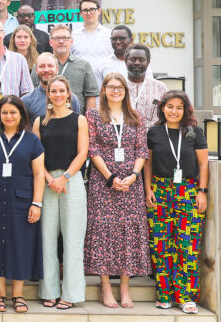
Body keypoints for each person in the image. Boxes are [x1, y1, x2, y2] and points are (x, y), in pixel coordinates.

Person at [84, 73, 151, 309]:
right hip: (103, 182)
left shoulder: (136, 117)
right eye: (111, 87)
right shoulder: (93, 115)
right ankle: (104, 285)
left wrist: (133, 176)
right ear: (103, 90)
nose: (115, 90)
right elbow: (91, 148)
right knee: (103, 230)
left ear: (125, 90)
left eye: (120, 87)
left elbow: (142, 150)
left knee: (128, 231)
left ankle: (124, 285)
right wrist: (111, 177)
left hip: (131, 185)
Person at [0, 95, 45, 314]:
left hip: (21, 201)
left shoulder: (32, 140)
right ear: (0, 115)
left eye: (13, 112)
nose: (9, 116)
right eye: (4, 112)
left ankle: (18, 294)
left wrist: (37, 203)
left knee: (20, 244)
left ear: (21, 114)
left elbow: (39, 173)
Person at [145, 91, 209, 314]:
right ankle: (165, 295)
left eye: (179, 107)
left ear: (185, 110)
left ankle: (186, 296)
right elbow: (147, 164)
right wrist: (148, 190)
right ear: (162, 108)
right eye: (170, 106)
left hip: (188, 191)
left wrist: (202, 191)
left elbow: (203, 164)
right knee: (162, 245)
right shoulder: (153, 132)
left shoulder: (193, 131)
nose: (174, 111)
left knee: (187, 244)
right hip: (160, 191)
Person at [32, 76, 88, 309]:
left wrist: (64, 177)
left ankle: (71, 294)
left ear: (68, 94)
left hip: (71, 181)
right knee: (47, 239)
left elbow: (82, 153)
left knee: (73, 240)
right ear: (48, 94)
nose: (57, 94)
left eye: (61, 91)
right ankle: (49, 291)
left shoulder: (80, 120)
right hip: (45, 182)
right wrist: (49, 179)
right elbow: (35, 155)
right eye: (53, 91)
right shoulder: (39, 122)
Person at [31, 24, 98, 113]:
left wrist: (89, 123)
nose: (61, 41)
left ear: (71, 41)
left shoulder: (84, 65)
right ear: (50, 42)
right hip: (46, 120)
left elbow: (90, 96)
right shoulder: (41, 66)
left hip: (76, 121)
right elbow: (33, 92)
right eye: (57, 38)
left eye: (65, 38)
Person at [23, 53, 81, 122]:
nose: (46, 70)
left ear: (57, 69)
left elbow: (77, 127)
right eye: (42, 66)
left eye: (50, 66)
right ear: (36, 70)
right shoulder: (26, 101)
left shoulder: (72, 99)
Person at [125, 44, 168, 126]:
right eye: (132, 59)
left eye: (141, 60)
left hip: (153, 136)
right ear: (126, 61)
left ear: (148, 62)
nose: (137, 63)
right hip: (124, 136)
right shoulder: (118, 86)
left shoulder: (160, 87)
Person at [71, 0, 112, 65]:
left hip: (104, 75)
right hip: (80, 75)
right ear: (80, 13)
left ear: (99, 11)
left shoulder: (109, 35)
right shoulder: (73, 35)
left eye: (92, 9)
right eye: (85, 10)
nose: (89, 13)